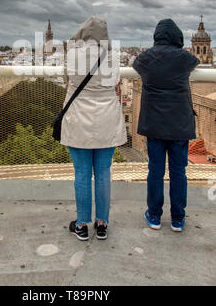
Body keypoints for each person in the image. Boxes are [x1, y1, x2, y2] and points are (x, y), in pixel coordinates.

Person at [60, 17, 127, 241]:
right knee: (103, 172)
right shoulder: (114, 56)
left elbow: (66, 80)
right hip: (107, 119)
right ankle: (102, 223)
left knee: (81, 173)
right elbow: (116, 82)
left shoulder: (71, 54)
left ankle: (81, 224)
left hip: (78, 118)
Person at [133, 19, 199, 232]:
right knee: (179, 172)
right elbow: (195, 62)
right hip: (179, 124)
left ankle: (154, 216)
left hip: (154, 124)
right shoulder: (185, 58)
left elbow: (136, 64)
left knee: (155, 171)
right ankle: (178, 219)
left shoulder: (145, 58)